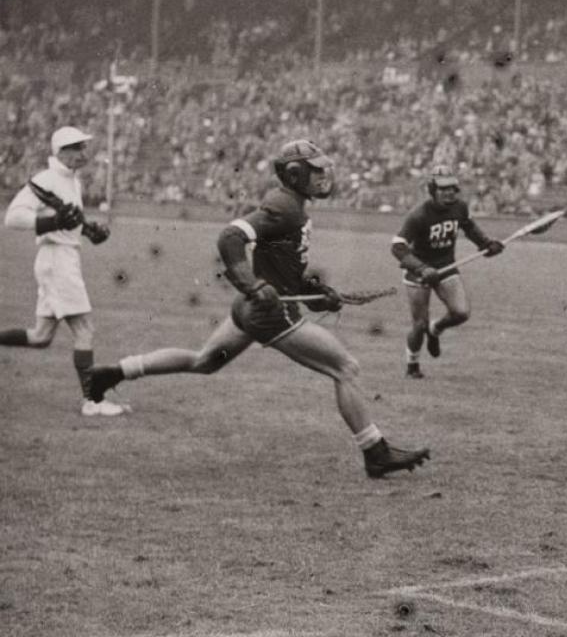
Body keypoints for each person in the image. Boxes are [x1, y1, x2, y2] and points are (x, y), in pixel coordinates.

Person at [87, 140, 430, 479]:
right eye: (316, 170)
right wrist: (252, 284)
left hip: (253, 307)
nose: (324, 176)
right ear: (295, 174)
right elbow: (230, 237)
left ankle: (115, 372)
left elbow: (284, 271)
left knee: (203, 361)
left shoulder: (293, 205)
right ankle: (375, 453)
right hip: (268, 312)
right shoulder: (286, 206)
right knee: (346, 367)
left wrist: (316, 293)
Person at [2, 126, 123, 416]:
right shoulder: (47, 179)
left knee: (41, 337)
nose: (84, 152)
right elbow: (14, 217)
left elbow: (68, 220)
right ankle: (92, 401)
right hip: (57, 261)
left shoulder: (71, 181)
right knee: (84, 330)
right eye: (77, 147)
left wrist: (89, 231)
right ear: (61, 152)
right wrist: (54, 224)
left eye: (84, 146)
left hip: (63, 257)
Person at [391, 164, 505, 379]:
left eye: (452, 188)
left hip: (446, 267)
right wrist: (421, 268)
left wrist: (486, 245)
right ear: (432, 190)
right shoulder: (419, 215)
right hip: (419, 272)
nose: (449, 193)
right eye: (443, 189)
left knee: (461, 313)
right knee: (419, 324)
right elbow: (398, 246)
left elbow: (469, 228)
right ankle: (412, 365)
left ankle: (436, 329)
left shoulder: (459, 207)